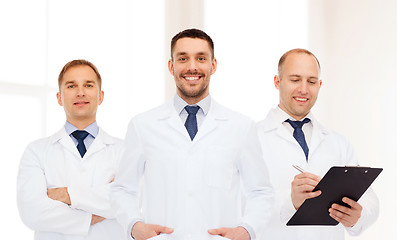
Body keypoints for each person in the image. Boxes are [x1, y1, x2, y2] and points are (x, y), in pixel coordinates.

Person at [111, 28, 274, 240]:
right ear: (171, 66)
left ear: (213, 65)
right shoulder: (143, 125)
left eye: (201, 58)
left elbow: (261, 192)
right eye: (183, 58)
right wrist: (134, 226)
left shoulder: (241, 127)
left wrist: (247, 230)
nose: (192, 67)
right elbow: (123, 188)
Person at [256, 48, 379, 239]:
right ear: (277, 82)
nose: (303, 89)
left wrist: (357, 216)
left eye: (311, 81)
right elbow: (235, 205)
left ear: (320, 85)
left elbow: (370, 199)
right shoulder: (250, 139)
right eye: (295, 80)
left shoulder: (338, 142)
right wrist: (290, 201)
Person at [17, 59, 124, 240]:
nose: (80, 92)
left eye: (88, 85)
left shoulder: (124, 151)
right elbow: (32, 212)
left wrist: (64, 194)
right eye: (71, 86)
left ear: (101, 96)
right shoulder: (36, 152)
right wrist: (99, 210)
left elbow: (130, 199)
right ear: (59, 97)